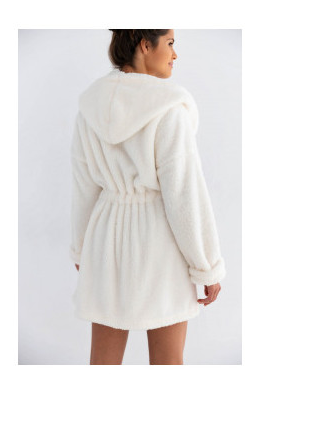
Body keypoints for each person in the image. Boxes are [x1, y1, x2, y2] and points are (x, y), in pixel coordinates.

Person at [69, 29, 226, 365]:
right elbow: (184, 194)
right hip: (160, 245)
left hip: (105, 239)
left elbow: (84, 185)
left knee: (103, 362)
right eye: (170, 43)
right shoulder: (168, 109)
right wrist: (207, 267)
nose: (175, 54)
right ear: (145, 45)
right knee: (168, 362)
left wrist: (81, 248)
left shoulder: (90, 107)